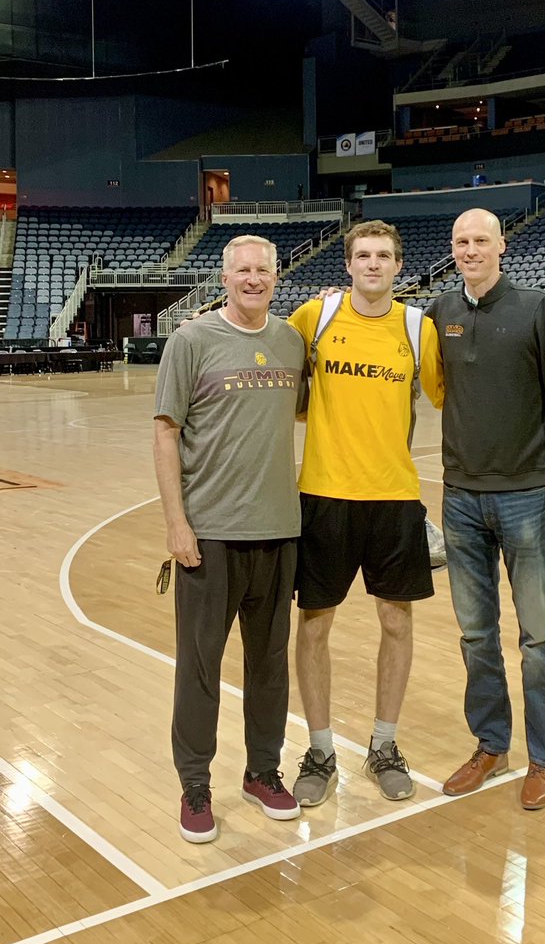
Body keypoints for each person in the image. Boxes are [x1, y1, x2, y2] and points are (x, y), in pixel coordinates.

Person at [427, 207, 545, 810]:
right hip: (460, 497)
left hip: (525, 495)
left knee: (539, 635)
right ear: (454, 248)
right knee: (475, 634)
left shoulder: (535, 308)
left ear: (501, 246)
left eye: (481, 241)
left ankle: (543, 760)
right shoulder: (439, 312)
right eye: (461, 241)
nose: (470, 250)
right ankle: (492, 745)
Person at [153, 234, 306, 843]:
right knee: (199, 668)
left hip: (278, 531)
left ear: (275, 275)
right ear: (224, 276)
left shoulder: (292, 341)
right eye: (242, 270)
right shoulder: (190, 341)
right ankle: (195, 784)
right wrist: (176, 522)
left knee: (269, 667)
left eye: (263, 270)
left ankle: (262, 771)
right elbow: (166, 434)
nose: (253, 279)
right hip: (209, 535)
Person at [287, 220, 444, 806]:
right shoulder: (315, 318)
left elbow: (451, 395)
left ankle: (384, 745)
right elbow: (272, 373)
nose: (373, 264)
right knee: (314, 625)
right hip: (324, 494)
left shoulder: (416, 328)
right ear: (347, 265)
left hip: (394, 496)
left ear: (398, 267)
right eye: (363, 255)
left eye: (383, 256)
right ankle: (321, 749)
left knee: (397, 623)